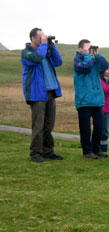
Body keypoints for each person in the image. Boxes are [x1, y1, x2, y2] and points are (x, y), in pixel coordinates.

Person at [21, 28, 63, 162]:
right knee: (38, 125)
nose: (42, 39)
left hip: (50, 92)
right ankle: (35, 153)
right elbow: (37, 59)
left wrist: (52, 46)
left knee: (49, 125)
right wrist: (44, 45)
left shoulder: (46, 51)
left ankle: (48, 151)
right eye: (40, 38)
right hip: (37, 93)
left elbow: (58, 61)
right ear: (33, 38)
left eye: (43, 37)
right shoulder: (27, 53)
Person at [74, 39, 108, 159]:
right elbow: (86, 68)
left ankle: (96, 149)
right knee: (85, 128)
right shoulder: (78, 60)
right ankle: (87, 151)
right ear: (81, 49)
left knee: (99, 125)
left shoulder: (92, 60)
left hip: (96, 99)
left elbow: (104, 67)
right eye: (87, 48)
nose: (89, 50)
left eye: (90, 48)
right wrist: (88, 56)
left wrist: (97, 54)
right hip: (84, 100)